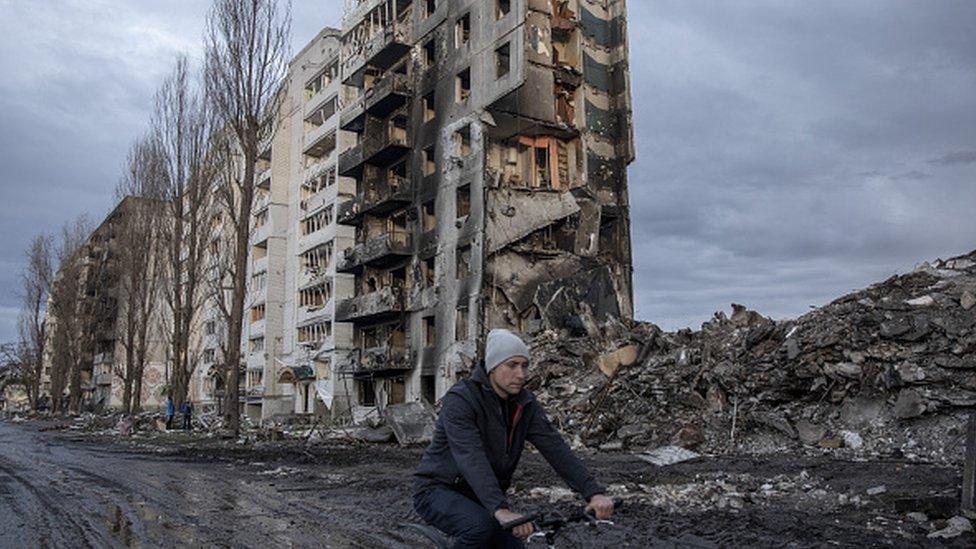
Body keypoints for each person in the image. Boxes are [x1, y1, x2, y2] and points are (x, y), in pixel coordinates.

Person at [413, 329, 615, 548]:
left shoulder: (525, 403)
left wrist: (592, 492)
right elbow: (470, 457)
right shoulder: (462, 400)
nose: (521, 374)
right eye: (512, 365)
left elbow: (556, 448)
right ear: (492, 366)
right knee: (479, 527)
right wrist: (500, 509)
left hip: (481, 497)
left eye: (525, 365)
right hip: (438, 491)